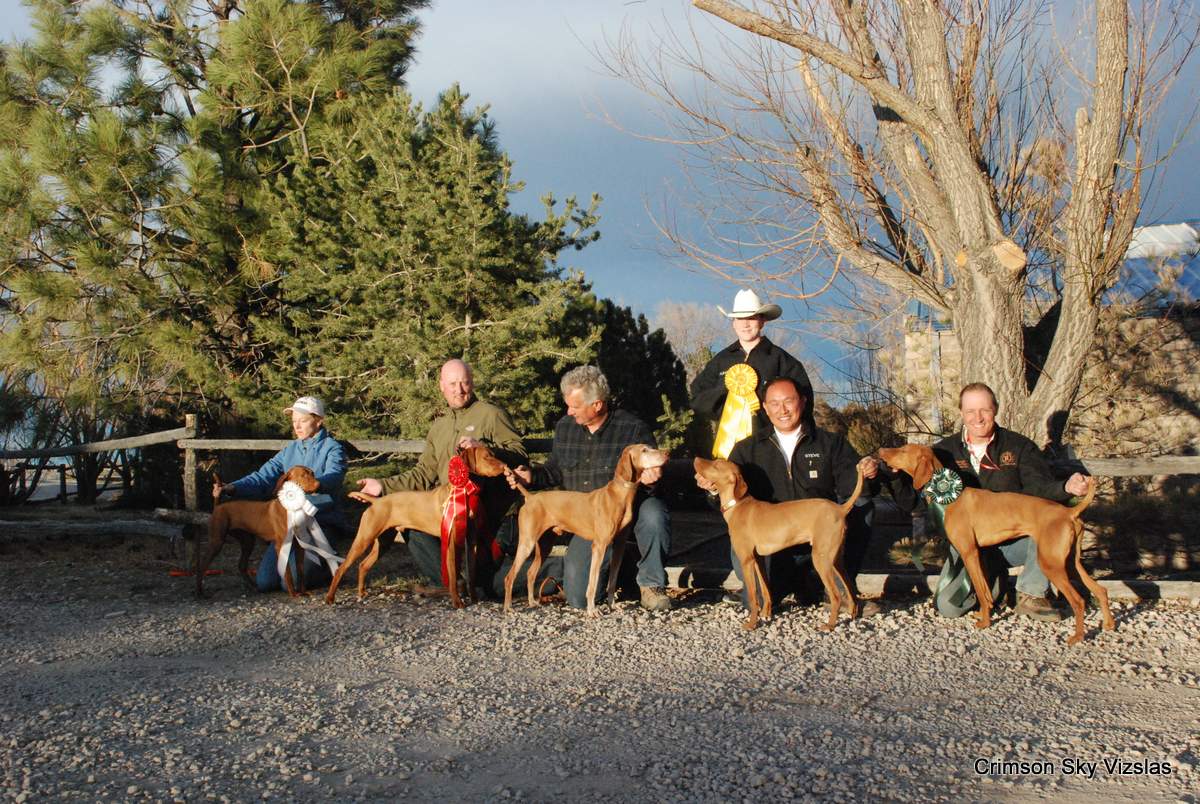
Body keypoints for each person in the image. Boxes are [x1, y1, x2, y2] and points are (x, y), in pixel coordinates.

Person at [696, 376, 881, 615]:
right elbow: (729, 496)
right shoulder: (747, 449)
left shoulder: (829, 443)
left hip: (817, 534)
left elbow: (854, 487)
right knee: (759, 593)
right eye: (774, 403)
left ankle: (836, 590)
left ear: (802, 402)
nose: (782, 410)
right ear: (764, 408)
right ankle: (779, 590)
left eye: (788, 401)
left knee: (862, 506)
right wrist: (712, 488)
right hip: (773, 541)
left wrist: (868, 471)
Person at [356, 359, 529, 595]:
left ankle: (551, 574)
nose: (459, 390)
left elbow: (520, 454)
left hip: (490, 519)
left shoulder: (491, 414)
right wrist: (383, 485)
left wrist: (485, 448)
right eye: (453, 384)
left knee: (490, 584)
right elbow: (423, 473)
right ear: (441, 386)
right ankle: (454, 585)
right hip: (449, 517)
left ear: (472, 382)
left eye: (464, 383)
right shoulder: (439, 426)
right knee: (411, 527)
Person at [508, 365, 672, 612]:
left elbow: (653, 471)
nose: (568, 411)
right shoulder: (565, 427)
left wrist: (653, 477)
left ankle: (651, 585)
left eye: (574, 406)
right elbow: (554, 471)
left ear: (597, 404)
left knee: (654, 515)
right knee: (577, 599)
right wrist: (529, 476)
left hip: (630, 509)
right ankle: (623, 573)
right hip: (587, 518)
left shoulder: (632, 428)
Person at [925, 382, 1090, 621]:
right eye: (970, 411)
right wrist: (893, 476)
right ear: (961, 413)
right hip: (969, 545)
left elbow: (1039, 489)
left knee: (1044, 527)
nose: (978, 418)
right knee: (949, 608)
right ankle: (993, 587)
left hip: (1014, 542)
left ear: (996, 409)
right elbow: (921, 500)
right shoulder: (943, 452)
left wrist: (1066, 487)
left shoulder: (1019, 446)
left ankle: (1031, 594)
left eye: (985, 410)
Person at [213, 395, 347, 592]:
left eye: (303, 421)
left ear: (318, 420)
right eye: (294, 422)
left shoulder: (333, 448)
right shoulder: (289, 451)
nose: (297, 426)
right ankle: (311, 569)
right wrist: (232, 487)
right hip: (286, 527)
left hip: (319, 524)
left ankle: (330, 568)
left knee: (287, 584)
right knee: (265, 583)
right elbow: (262, 477)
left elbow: (334, 476)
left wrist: (314, 485)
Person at [689, 289, 813, 456]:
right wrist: (726, 393)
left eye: (751, 318)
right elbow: (697, 398)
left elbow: (805, 404)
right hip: (727, 451)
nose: (745, 324)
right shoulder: (720, 361)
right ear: (733, 322)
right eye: (740, 318)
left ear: (762, 321)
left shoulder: (782, 360)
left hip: (773, 451)